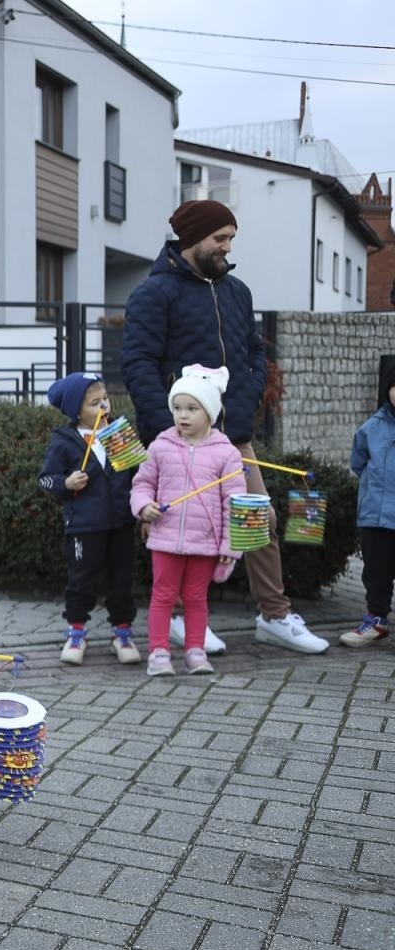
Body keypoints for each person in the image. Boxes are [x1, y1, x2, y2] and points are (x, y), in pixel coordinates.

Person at [122, 200, 327, 654]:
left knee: (261, 519)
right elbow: (137, 364)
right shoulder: (153, 294)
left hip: (232, 439)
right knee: (181, 525)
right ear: (193, 238)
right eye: (220, 238)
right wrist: (168, 429)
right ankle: (180, 618)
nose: (228, 247)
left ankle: (274, 616)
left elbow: (255, 354)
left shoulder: (237, 292)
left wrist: (246, 399)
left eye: (231, 238)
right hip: (176, 441)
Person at [130, 365, 245, 677]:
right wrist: (144, 507)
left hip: (205, 542)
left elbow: (234, 504)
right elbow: (142, 484)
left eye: (192, 409)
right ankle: (158, 652)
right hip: (165, 539)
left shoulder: (227, 454)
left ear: (210, 412)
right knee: (162, 596)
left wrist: (230, 546)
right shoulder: (160, 447)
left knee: (196, 598)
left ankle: (196, 650)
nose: (183, 415)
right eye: (177, 408)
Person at [37, 372, 141, 665]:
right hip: (84, 525)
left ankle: (122, 633)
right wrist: (66, 483)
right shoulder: (64, 442)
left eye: (105, 399)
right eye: (95, 403)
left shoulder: (118, 433)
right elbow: (45, 479)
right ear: (76, 411)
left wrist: (143, 511)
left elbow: (139, 476)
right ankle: (76, 632)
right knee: (81, 580)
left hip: (121, 522)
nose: (104, 406)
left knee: (122, 579)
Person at [342, 359, 395, 647]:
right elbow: (358, 462)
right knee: (376, 572)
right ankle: (376, 620)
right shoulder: (371, 428)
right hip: (376, 516)